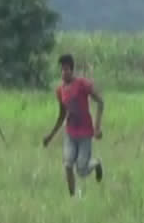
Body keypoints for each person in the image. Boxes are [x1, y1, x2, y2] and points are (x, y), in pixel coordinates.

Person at [43, 53, 105, 198]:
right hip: (70, 133)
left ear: (72, 70)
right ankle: (72, 197)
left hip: (85, 133)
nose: (64, 73)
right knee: (68, 165)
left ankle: (96, 163)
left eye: (66, 69)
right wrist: (50, 136)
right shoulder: (60, 91)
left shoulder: (83, 84)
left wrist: (97, 127)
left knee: (82, 170)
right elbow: (61, 115)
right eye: (62, 70)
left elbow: (100, 102)